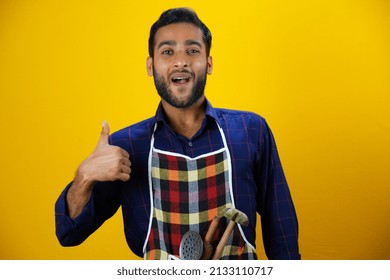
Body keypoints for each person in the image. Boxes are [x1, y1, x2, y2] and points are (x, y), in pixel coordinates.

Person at [55, 7, 300, 260]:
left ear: (209, 63)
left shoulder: (251, 132)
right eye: (167, 51)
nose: (180, 61)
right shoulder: (124, 147)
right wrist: (84, 177)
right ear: (151, 66)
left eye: (192, 51)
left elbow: (281, 228)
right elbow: (68, 234)